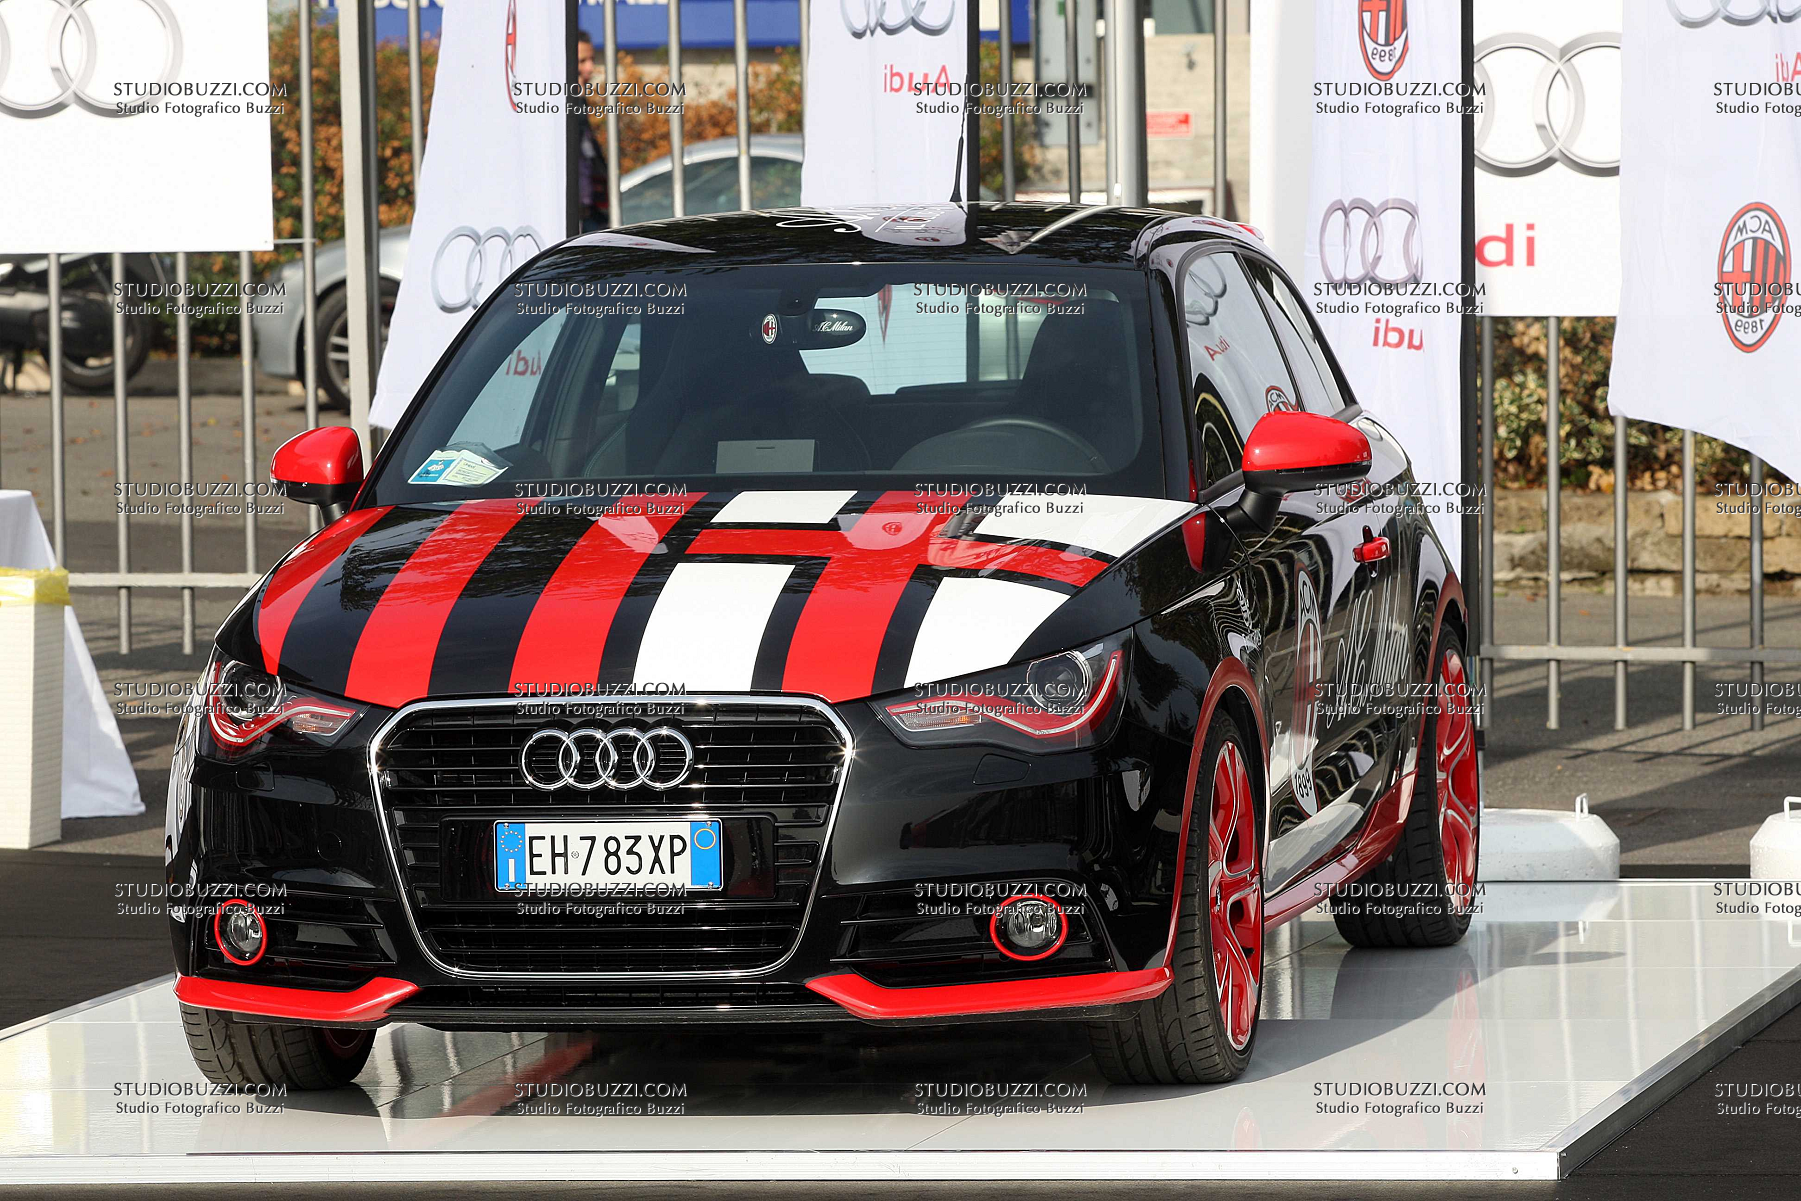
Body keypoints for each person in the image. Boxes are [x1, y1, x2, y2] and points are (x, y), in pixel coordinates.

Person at [572, 29, 610, 232]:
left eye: (592, 60)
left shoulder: (580, 102)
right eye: (582, 61)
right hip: (577, 214)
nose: (590, 68)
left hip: (590, 211)